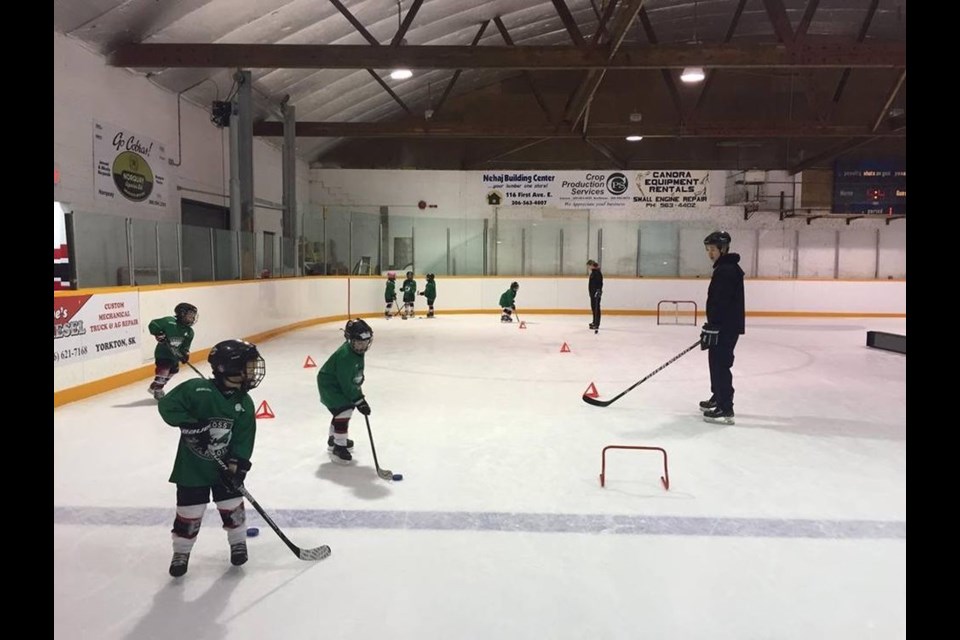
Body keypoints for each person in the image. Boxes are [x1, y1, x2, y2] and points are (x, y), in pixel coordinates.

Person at [157, 339, 266, 577]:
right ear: (229, 368)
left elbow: (244, 439)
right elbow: (167, 406)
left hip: (223, 469)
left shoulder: (244, 403)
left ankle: (238, 542)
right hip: (191, 468)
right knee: (189, 511)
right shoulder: (197, 390)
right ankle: (182, 551)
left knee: (232, 506)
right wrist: (190, 425)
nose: (252, 370)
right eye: (248, 365)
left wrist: (238, 467)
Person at [700, 231, 745, 425]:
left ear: (723, 249)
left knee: (721, 365)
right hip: (721, 326)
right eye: (707, 249)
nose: (709, 253)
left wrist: (714, 325)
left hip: (725, 328)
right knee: (715, 362)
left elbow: (721, 302)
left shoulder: (727, 270)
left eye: (712, 249)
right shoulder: (724, 268)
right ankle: (717, 396)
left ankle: (726, 406)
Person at [317, 319, 374, 463]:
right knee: (345, 410)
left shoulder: (355, 352)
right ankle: (339, 446)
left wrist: (359, 397)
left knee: (341, 412)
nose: (362, 346)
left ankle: (334, 438)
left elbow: (352, 379)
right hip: (330, 386)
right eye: (359, 343)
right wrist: (359, 401)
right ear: (350, 340)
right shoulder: (346, 356)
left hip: (337, 383)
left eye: (366, 343)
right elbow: (347, 384)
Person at [147, 302, 198, 400]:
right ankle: (158, 390)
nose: (192, 319)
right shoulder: (169, 322)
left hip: (174, 356)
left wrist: (185, 354)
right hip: (162, 353)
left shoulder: (189, 332)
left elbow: (185, 346)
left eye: (193, 316)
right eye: (190, 316)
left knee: (174, 371)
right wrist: (159, 333)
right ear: (182, 314)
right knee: (164, 371)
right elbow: (153, 324)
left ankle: (155, 385)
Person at [586, 260, 603, 331]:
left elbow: (600, 283)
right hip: (593, 294)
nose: (588, 268)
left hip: (596, 294)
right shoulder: (594, 272)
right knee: (594, 308)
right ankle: (594, 321)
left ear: (591, 265)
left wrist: (598, 291)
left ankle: (597, 324)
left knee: (596, 309)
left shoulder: (597, 273)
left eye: (588, 266)